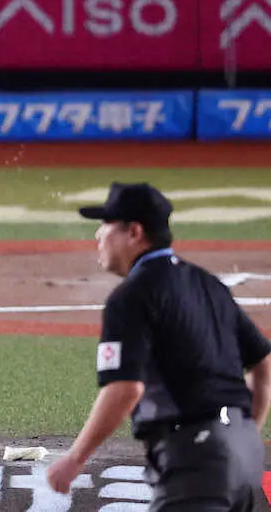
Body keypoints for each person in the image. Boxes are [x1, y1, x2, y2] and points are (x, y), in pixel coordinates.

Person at [47, 182, 271, 508]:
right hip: (247, 455)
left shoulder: (132, 296)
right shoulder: (208, 283)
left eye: (106, 225)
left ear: (134, 232)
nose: (98, 235)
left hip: (196, 460)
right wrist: (245, 430)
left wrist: (75, 459)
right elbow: (264, 362)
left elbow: (124, 389)